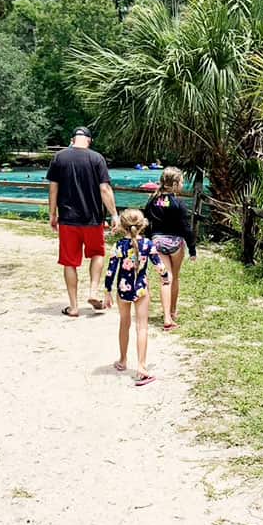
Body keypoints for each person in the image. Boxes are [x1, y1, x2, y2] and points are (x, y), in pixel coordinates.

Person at [46, 126, 119, 317]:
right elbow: (104, 189)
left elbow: (53, 189)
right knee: (97, 254)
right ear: (89, 140)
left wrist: (52, 214)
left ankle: (74, 307)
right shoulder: (97, 158)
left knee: (69, 262)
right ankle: (93, 292)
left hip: (68, 220)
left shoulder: (59, 158)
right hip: (93, 219)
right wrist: (114, 214)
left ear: (72, 139)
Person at [104, 209, 169, 386]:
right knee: (142, 327)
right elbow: (159, 265)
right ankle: (141, 366)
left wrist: (107, 291)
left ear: (123, 226)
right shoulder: (148, 244)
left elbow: (111, 271)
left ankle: (123, 360)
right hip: (141, 289)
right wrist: (165, 278)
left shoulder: (118, 246)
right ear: (142, 225)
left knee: (124, 324)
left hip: (123, 290)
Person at [143, 167, 196, 331]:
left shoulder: (152, 201)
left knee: (166, 278)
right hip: (175, 243)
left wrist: (147, 242)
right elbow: (186, 228)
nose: (182, 185)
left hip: (157, 241)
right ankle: (172, 312)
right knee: (175, 277)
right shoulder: (178, 203)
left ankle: (166, 315)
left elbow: (146, 224)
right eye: (181, 182)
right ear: (174, 184)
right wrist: (192, 249)